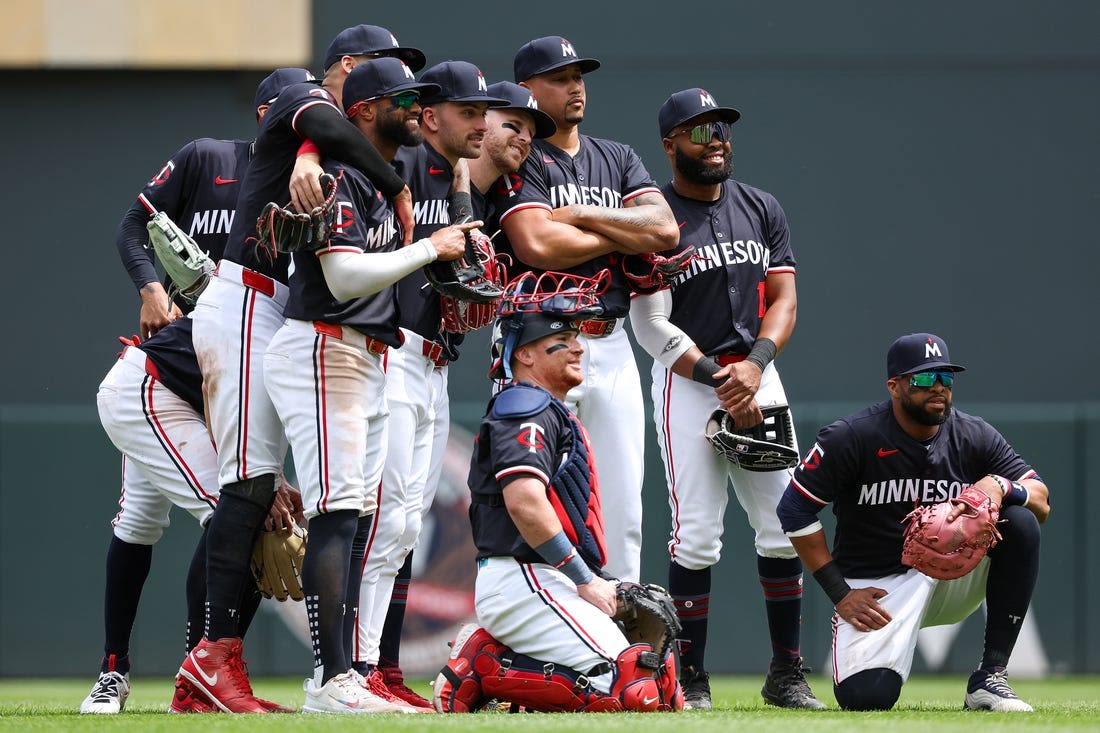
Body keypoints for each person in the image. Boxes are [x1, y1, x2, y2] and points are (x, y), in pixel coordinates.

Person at [177, 25, 428, 714]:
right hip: (248, 300)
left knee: (259, 494)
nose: (399, 87)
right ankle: (210, 657)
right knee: (247, 488)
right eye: (388, 71)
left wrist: (328, 152)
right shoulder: (300, 87)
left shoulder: (324, 142)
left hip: (280, 311)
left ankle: (212, 664)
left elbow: (330, 134)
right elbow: (323, 120)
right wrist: (395, 186)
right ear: (348, 67)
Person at [80, 69, 311, 715]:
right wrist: (151, 287)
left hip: (211, 377)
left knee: (239, 511)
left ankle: (195, 668)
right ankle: (123, 668)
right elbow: (134, 226)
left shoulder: (305, 189)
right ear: (270, 112)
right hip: (168, 371)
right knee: (192, 518)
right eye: (302, 102)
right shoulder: (210, 157)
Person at [262, 57, 477, 715]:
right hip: (323, 348)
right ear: (361, 110)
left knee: (366, 519)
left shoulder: (385, 183)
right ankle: (333, 681)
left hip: (364, 356)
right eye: (401, 98)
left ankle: (353, 672)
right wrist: (429, 250)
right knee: (337, 515)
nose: (415, 108)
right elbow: (344, 276)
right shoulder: (337, 177)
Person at [629, 88, 822, 710]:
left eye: (721, 129)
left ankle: (787, 673)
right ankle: (691, 679)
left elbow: (785, 301)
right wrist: (722, 376)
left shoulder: (761, 206)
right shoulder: (654, 218)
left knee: (784, 527)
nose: (715, 140)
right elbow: (650, 325)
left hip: (757, 375)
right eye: (698, 130)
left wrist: (756, 367)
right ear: (669, 145)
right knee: (697, 538)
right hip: (689, 381)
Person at [432, 276, 682, 714]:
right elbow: (524, 502)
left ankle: (510, 663)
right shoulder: (521, 407)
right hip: (523, 578)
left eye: (576, 336)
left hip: (549, 579)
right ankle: (482, 666)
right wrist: (587, 580)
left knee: (662, 687)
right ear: (525, 353)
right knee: (631, 690)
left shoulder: (549, 409)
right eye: (561, 338)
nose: (579, 346)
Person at [344, 60, 508, 708]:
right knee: (381, 520)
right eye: (470, 112)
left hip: (438, 364)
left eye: (483, 113)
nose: (482, 123)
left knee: (407, 524)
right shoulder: (400, 166)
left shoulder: (459, 179)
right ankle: (349, 667)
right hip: (393, 354)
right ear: (431, 115)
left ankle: (380, 667)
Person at [776, 332, 1050, 712]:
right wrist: (840, 594)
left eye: (946, 378)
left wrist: (1002, 486)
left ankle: (990, 677)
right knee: (867, 698)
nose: (938, 387)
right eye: (923, 379)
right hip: (878, 587)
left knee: (1020, 521)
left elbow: (1041, 499)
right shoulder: (852, 436)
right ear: (894, 386)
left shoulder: (973, 434)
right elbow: (792, 510)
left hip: (953, 574)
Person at [498, 36, 680, 582]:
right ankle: (541, 635)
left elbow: (666, 230)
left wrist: (577, 214)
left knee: (622, 508)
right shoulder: (520, 156)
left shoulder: (618, 156)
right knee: (534, 494)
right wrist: (622, 233)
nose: (575, 86)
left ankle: (623, 647)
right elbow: (536, 245)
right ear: (527, 90)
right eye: (559, 77)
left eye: (578, 75)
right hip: (536, 342)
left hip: (611, 340)